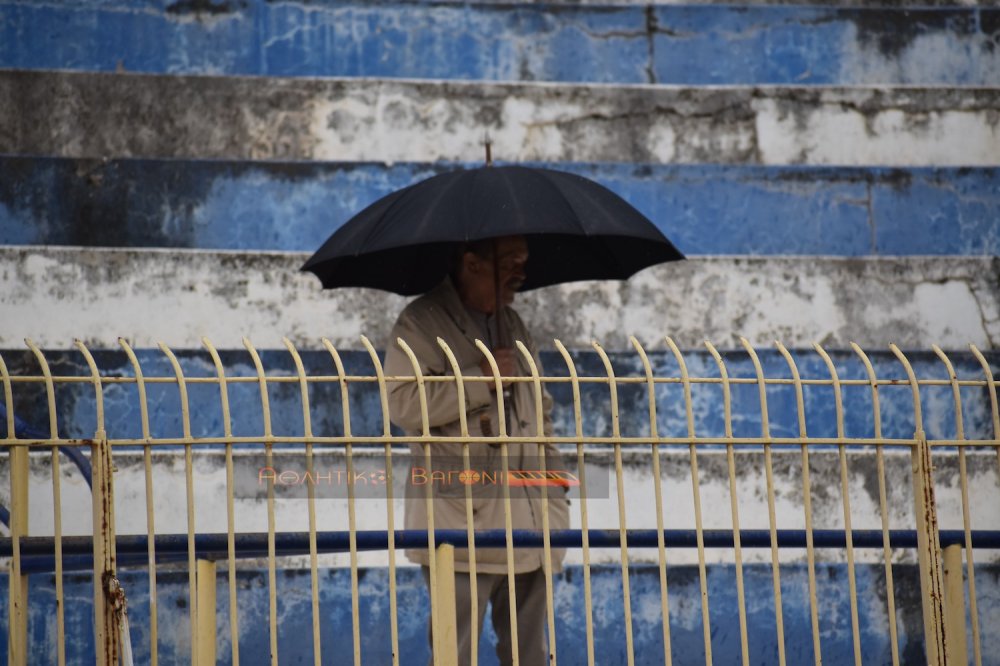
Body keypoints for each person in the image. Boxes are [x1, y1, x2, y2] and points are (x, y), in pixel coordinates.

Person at [383, 235, 570, 666]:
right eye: (510, 262)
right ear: (471, 264)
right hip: (459, 521)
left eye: (524, 261)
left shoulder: (514, 324)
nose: (521, 273)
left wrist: (556, 489)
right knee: (455, 652)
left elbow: (540, 414)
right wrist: (479, 377)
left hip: (530, 516)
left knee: (529, 655)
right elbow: (403, 404)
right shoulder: (421, 322)